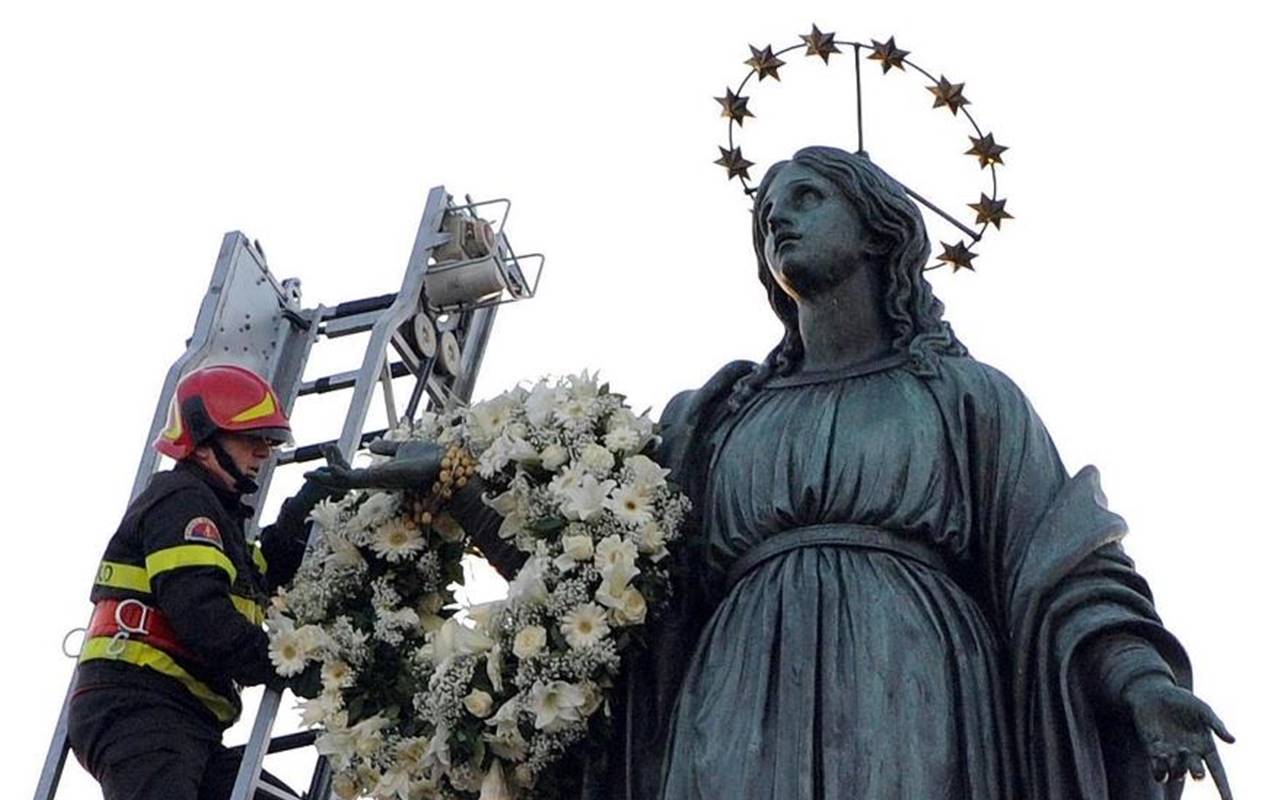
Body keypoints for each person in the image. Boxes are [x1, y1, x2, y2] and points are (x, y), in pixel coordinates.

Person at [315, 147, 1235, 800]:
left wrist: (1137, 680)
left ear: (877, 231)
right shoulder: (718, 419)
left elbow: (1060, 557)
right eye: (764, 214)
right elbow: (616, 596)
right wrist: (466, 490)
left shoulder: (965, 396)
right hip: (735, 693)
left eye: (804, 199)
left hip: (912, 683)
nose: (777, 220)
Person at [68, 363, 334, 800]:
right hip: (143, 710)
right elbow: (204, 616)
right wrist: (288, 665)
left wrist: (299, 517)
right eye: (251, 438)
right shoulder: (180, 501)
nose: (264, 453)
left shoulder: (213, 519)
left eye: (267, 441)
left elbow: (255, 579)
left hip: (187, 725)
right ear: (205, 442)